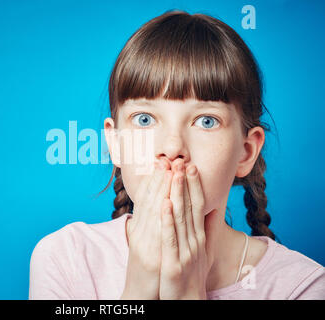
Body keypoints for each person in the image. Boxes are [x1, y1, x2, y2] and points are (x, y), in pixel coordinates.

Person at [29, 10, 325, 300]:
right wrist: (138, 290)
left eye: (206, 121)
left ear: (245, 152)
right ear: (116, 143)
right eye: (144, 119)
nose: (172, 148)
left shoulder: (303, 287)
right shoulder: (65, 257)